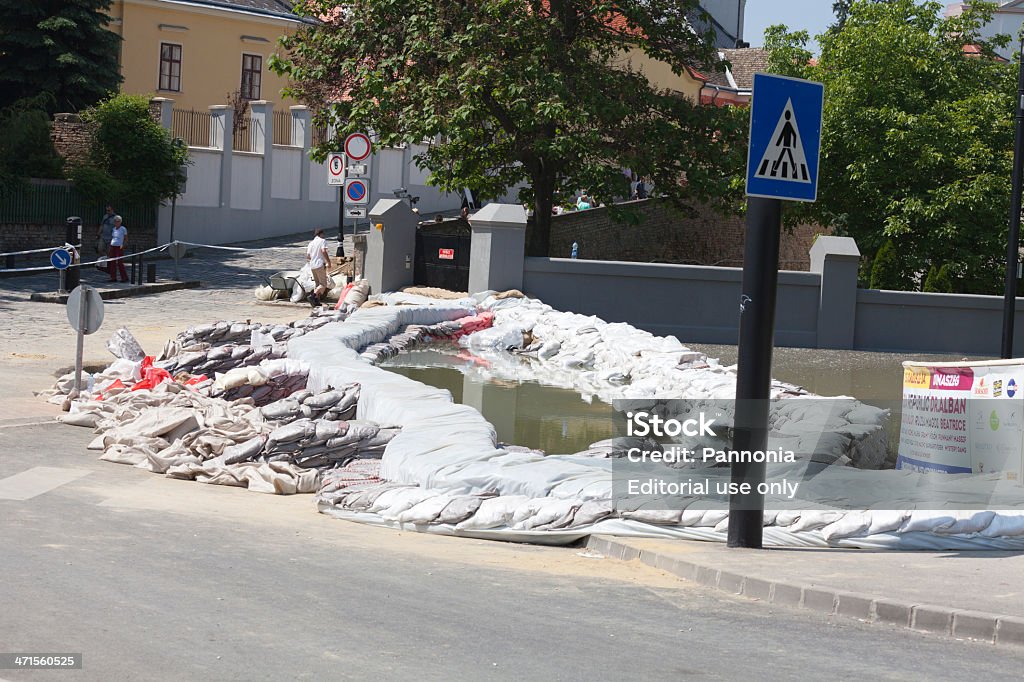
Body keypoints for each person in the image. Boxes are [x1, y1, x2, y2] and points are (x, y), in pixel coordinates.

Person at [306, 228, 332, 306]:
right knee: (323, 284)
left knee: (317, 284)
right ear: (321, 234)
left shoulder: (311, 243)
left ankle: (316, 301)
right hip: (320, 264)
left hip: (312, 265)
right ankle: (313, 296)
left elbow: (308, 256)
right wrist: (328, 261)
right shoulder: (322, 241)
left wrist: (314, 258)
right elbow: (323, 251)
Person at [107, 215, 128, 283]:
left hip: (119, 246)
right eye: (115, 221)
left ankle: (124, 277)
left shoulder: (123, 229)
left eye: (118, 221)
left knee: (119, 262)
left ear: (120, 222)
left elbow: (126, 238)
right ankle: (113, 277)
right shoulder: (113, 229)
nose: (116, 222)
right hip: (113, 246)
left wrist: (123, 245)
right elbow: (112, 237)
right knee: (112, 262)